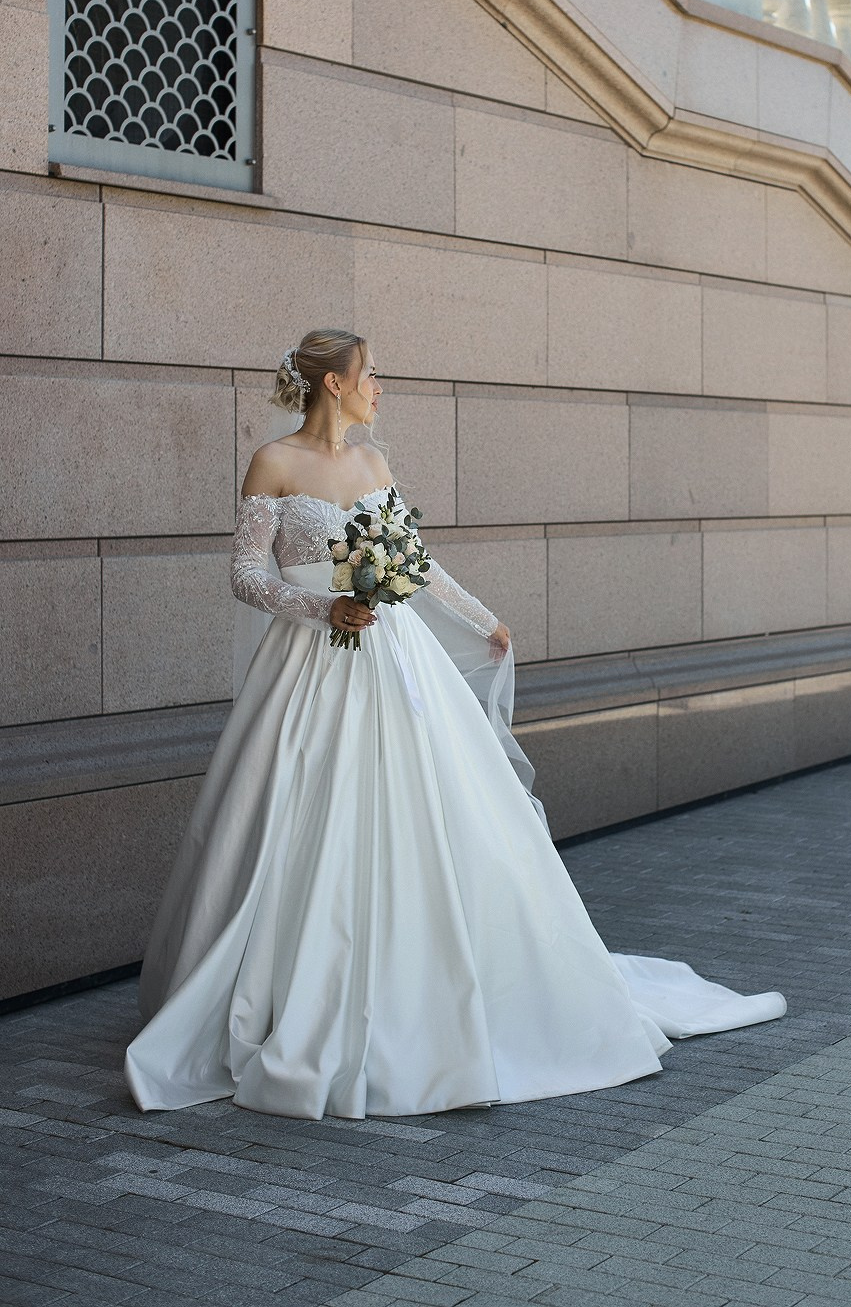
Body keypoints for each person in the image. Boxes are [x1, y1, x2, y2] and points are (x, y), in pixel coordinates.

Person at [124, 329, 785, 1120]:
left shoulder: (374, 465)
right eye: (371, 375)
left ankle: (442, 986)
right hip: (313, 666)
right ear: (333, 382)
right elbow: (245, 574)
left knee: (443, 817)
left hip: (399, 663)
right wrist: (321, 606)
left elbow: (415, 560)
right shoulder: (274, 462)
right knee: (299, 822)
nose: (381, 388)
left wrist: (482, 620)